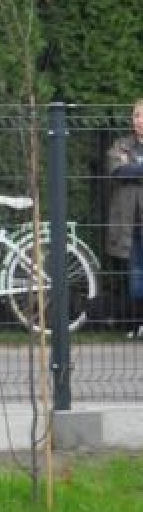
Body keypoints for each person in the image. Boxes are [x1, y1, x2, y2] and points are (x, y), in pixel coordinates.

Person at [105, 99, 143, 336]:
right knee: (136, 276)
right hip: (130, 225)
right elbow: (118, 171)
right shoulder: (121, 145)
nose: (141, 121)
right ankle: (137, 324)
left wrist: (135, 168)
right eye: (138, 115)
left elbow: (130, 170)